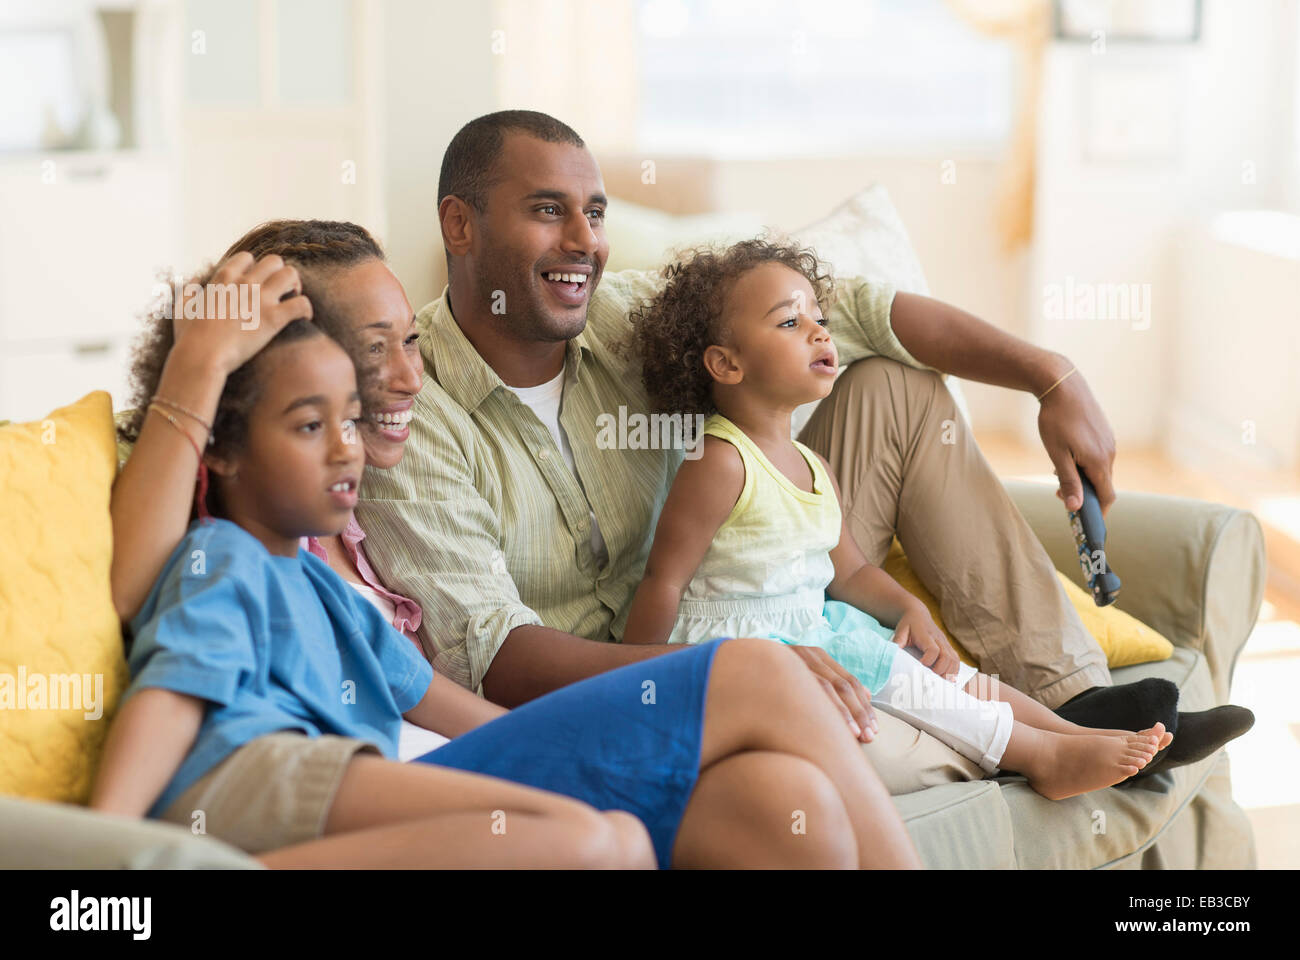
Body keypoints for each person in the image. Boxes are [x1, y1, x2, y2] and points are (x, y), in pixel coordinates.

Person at [356, 110, 1239, 781]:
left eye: (594, 211)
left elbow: (856, 307)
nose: (586, 242)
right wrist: (736, 670)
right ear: (460, 226)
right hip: (659, 666)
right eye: (549, 212)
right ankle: (1035, 744)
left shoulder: (621, 314)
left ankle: (1071, 699)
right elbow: (498, 655)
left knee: (899, 385)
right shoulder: (412, 405)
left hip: (754, 587)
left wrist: (1052, 376)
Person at [98, 220, 922, 869]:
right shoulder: (233, 548)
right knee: (756, 670)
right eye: (364, 358)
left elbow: (458, 710)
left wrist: (594, 744)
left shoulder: (337, 542)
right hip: (369, 784)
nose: (408, 378)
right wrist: (197, 373)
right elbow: (147, 610)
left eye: (408, 341)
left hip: (449, 764)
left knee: (782, 811)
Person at [619, 237, 1188, 800]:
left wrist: (908, 607)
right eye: (789, 323)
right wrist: (636, 681)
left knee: (946, 672)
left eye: (819, 318)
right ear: (727, 363)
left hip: (811, 625)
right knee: (903, 677)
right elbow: (663, 582)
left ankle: (1077, 733)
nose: (820, 332)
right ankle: (1043, 757)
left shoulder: (815, 465)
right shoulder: (718, 461)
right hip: (744, 644)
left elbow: (850, 571)